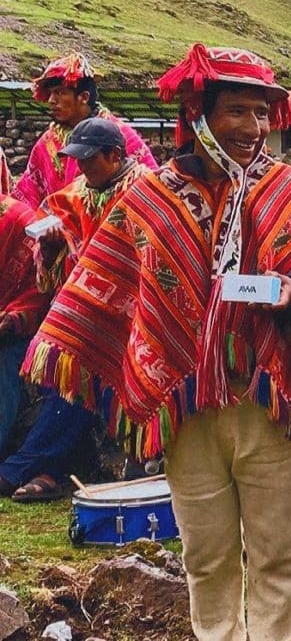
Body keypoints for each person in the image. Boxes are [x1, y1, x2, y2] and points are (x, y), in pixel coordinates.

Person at [22, 43, 291, 641]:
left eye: (262, 113)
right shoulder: (149, 200)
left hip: (273, 406)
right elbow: (105, 280)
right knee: (207, 559)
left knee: (278, 559)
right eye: (237, 112)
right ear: (200, 115)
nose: (253, 128)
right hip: (184, 410)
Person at [1, 118, 150, 501]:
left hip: (140, 317)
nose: (81, 168)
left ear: (115, 156)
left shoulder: (147, 191)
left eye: (89, 160)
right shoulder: (77, 194)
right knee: (68, 367)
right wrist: (51, 247)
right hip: (90, 314)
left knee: (83, 365)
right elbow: (55, 255)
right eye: (76, 160)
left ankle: (29, 469)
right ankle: (43, 470)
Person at [14, 52, 156, 209]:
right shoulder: (47, 143)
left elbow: (150, 189)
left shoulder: (120, 135)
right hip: (57, 228)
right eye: (50, 93)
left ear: (84, 97)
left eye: (59, 92)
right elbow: (28, 192)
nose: (51, 100)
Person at [0, 194, 49, 459]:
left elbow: (40, 284)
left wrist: (14, 317)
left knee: (6, 365)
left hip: (15, 324)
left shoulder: (20, 220)